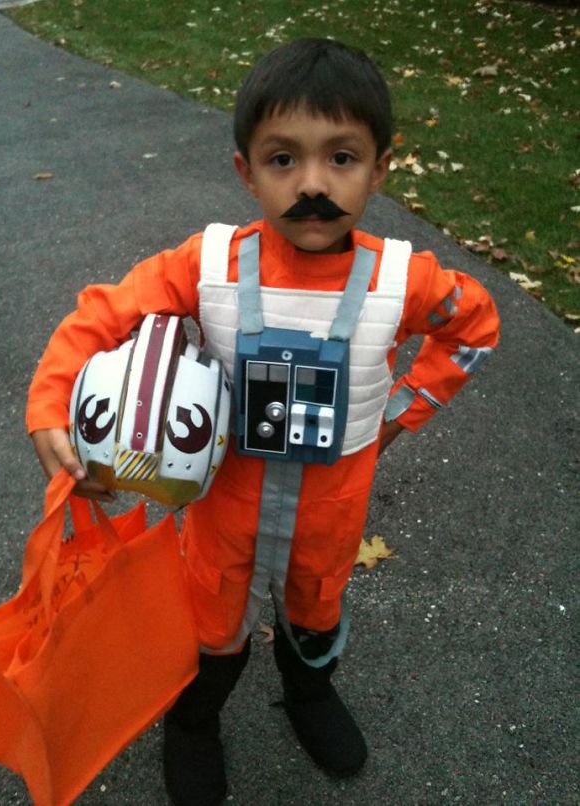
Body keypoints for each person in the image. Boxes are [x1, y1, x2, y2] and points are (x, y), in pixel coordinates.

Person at [27, 38, 500, 806]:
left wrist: (403, 412)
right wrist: (51, 406)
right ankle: (192, 721)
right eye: (283, 160)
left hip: (332, 510)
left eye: (340, 157)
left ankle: (308, 693)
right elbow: (100, 315)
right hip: (223, 512)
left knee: (316, 607)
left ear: (381, 166)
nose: (312, 183)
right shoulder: (206, 266)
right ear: (245, 171)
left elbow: (474, 330)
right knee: (210, 621)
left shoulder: (402, 281)